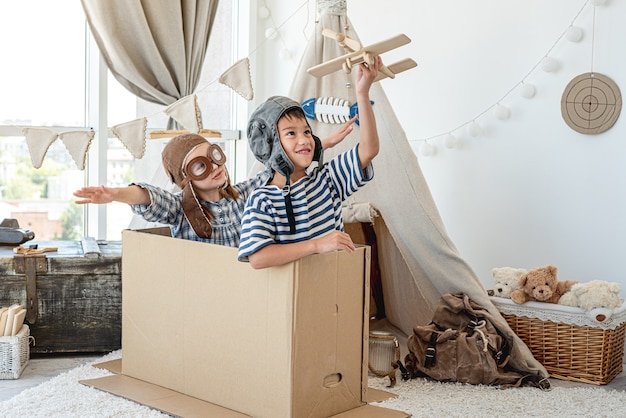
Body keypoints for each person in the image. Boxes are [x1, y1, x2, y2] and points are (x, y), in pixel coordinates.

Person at [73, 122, 356, 247]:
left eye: (215, 156)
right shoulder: (180, 211)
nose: (216, 168)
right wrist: (114, 194)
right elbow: (150, 197)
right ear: (186, 179)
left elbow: (277, 170)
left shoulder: (243, 195)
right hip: (206, 293)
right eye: (200, 166)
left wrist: (319, 144)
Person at [238, 55, 382, 268]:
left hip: (332, 289)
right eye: (291, 134)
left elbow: (368, 150)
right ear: (271, 145)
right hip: (292, 298)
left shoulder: (326, 181)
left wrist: (362, 92)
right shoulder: (262, 200)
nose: (304, 139)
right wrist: (316, 245)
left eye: (307, 131)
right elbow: (258, 258)